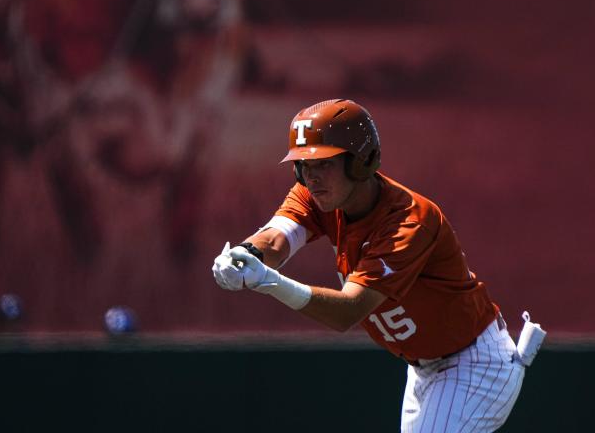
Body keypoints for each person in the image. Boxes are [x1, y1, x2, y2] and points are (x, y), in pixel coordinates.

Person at [212, 98, 525, 432]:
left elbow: (347, 311)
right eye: (303, 165)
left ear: (360, 162)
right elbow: (275, 240)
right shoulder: (315, 194)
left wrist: (267, 282)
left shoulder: (408, 221)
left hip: (471, 364)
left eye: (324, 164)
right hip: (426, 367)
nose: (312, 176)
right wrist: (245, 256)